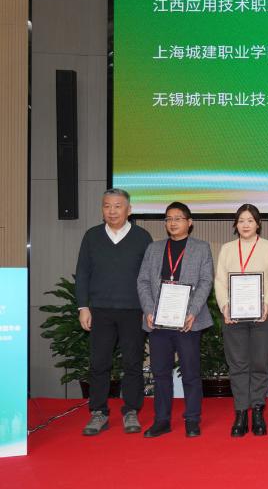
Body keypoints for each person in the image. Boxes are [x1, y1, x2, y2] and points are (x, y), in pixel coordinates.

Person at [75, 188, 152, 436]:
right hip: (100, 311)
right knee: (99, 363)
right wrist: (83, 307)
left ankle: (131, 410)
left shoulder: (142, 237)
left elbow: (150, 277)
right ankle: (98, 412)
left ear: (129, 210)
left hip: (134, 311)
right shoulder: (92, 236)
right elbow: (83, 273)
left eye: (118, 206)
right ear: (102, 209)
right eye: (107, 206)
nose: (112, 211)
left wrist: (148, 308)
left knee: (132, 363)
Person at [136, 201, 214, 438]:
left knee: (190, 372)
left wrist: (191, 311)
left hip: (188, 321)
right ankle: (162, 420)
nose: (172, 223)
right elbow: (143, 281)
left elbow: (206, 281)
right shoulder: (154, 248)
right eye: (168, 219)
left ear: (189, 222)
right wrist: (149, 310)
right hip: (158, 321)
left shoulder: (201, 248)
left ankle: (192, 419)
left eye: (178, 218)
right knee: (160, 373)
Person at [214, 203, 268, 437]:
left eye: (250, 220)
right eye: (241, 220)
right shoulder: (227, 249)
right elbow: (220, 281)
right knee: (238, 365)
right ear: (236, 224)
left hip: (264, 315)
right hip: (233, 317)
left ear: (258, 224)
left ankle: (258, 411)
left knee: (260, 364)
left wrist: (266, 304)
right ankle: (241, 412)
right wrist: (225, 306)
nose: (245, 225)